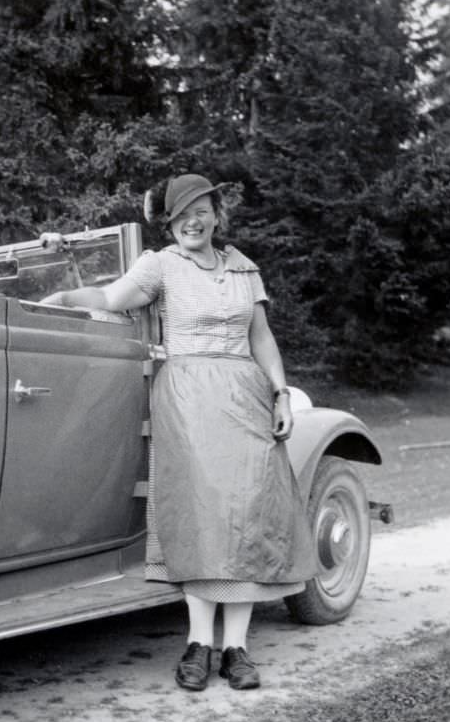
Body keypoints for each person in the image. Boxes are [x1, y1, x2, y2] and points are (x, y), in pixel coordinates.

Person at [41, 173, 318, 691]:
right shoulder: (160, 265)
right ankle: (197, 644)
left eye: (201, 209)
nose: (192, 220)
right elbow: (113, 297)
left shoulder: (243, 268)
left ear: (217, 213)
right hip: (188, 397)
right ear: (168, 222)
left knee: (248, 513)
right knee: (202, 514)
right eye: (179, 214)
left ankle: (236, 649)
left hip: (246, 396)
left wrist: (281, 393)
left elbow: (261, 337)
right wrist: (63, 299)